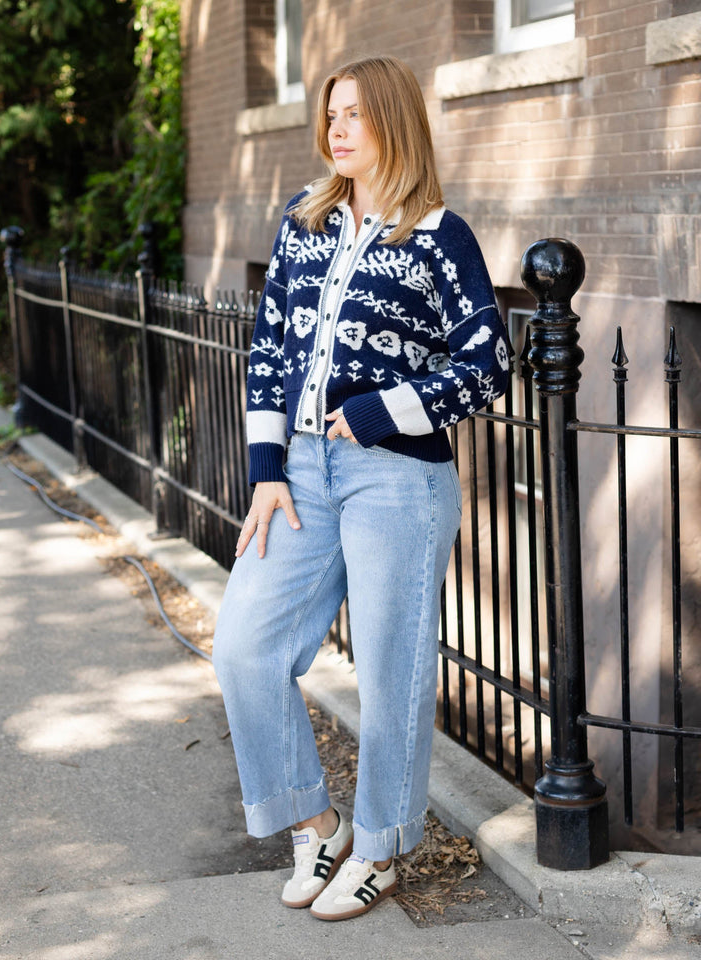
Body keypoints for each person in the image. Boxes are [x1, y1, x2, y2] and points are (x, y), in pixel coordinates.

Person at [213, 54, 509, 922]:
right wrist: (267, 470)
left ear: (394, 123)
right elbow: (271, 350)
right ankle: (316, 821)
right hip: (300, 471)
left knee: (390, 671)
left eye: (354, 115)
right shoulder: (303, 222)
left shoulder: (438, 234)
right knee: (245, 645)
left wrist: (390, 408)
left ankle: (381, 846)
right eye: (330, 115)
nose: (336, 129)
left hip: (397, 481)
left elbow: (488, 359)